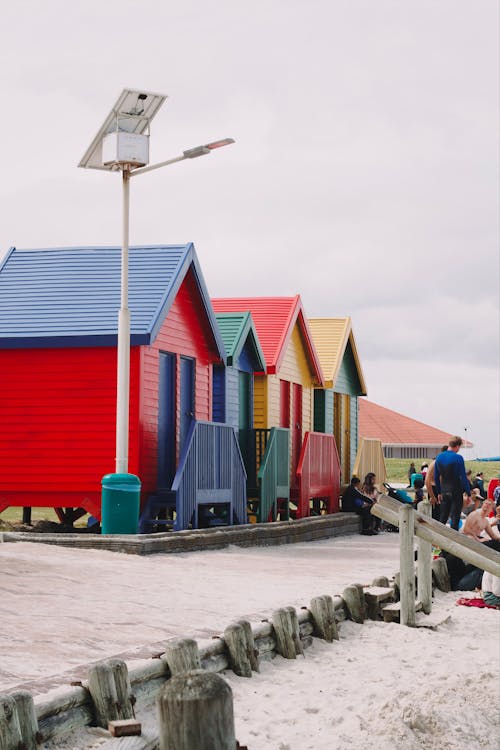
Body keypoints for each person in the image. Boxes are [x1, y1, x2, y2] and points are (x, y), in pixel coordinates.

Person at [434, 436, 471, 530]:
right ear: (457, 446)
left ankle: (438, 541)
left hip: (444, 491)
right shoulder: (458, 458)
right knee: (455, 518)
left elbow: (436, 477)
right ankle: (453, 543)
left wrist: (439, 492)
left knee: (443, 518)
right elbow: (463, 477)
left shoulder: (439, 457)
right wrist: (468, 493)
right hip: (456, 491)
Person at [424, 446, 448, 520]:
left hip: (442, 491)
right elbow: (427, 481)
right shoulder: (435, 463)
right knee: (436, 516)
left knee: (443, 516)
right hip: (434, 491)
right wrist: (432, 496)